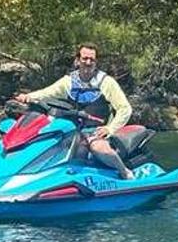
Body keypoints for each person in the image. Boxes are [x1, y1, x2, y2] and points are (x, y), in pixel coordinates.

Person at [16, 44, 135, 180]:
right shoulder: (68, 81)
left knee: (98, 148)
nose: (88, 62)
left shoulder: (106, 82)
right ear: (77, 60)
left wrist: (110, 128)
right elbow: (47, 93)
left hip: (96, 132)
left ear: (96, 62)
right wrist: (28, 97)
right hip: (73, 131)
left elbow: (125, 109)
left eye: (92, 59)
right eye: (84, 58)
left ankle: (125, 172)